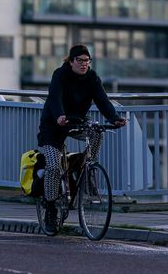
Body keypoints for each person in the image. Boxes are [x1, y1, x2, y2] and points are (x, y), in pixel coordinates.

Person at [38, 44, 126, 232]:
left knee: (96, 132)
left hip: (77, 122)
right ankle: (51, 208)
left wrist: (115, 118)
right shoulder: (60, 75)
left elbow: (102, 100)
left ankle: (88, 167)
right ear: (70, 61)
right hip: (54, 125)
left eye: (87, 60)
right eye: (80, 60)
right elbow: (55, 97)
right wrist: (60, 115)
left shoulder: (92, 78)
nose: (84, 64)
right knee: (53, 166)